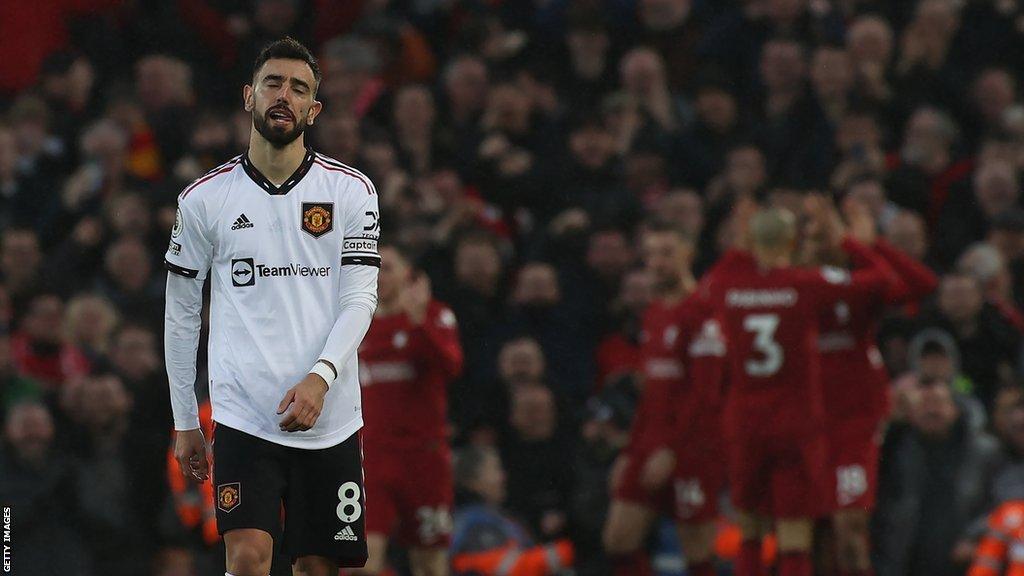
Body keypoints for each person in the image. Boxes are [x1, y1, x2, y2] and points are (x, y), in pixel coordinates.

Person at [164, 37, 380, 576]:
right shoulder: (203, 200)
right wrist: (185, 418)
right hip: (243, 414)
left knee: (318, 566)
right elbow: (181, 313)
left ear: (315, 109)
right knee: (247, 555)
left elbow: (361, 298)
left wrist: (320, 378)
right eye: (273, 83)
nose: (284, 95)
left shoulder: (352, 192)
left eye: (299, 88)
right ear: (248, 96)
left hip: (330, 415)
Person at [700, 199, 904, 576]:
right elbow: (882, 280)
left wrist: (738, 248)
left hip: (746, 423)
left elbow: (705, 288)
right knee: (796, 533)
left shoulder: (727, 286)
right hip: (794, 423)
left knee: (750, 530)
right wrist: (851, 243)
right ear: (793, 244)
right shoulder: (805, 285)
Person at [801, 198, 937, 576]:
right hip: (804, 425)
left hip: (853, 425)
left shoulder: (860, 288)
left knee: (850, 531)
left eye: (825, 235)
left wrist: (866, 243)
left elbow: (922, 283)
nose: (818, 244)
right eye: (811, 236)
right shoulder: (793, 289)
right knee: (814, 537)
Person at [602, 220, 726, 576]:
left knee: (696, 551)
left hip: (692, 448)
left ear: (688, 254)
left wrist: (672, 449)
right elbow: (650, 390)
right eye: (651, 254)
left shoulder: (704, 313)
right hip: (648, 443)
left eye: (667, 253)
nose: (657, 262)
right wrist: (630, 450)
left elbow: (706, 394)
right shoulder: (654, 313)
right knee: (618, 540)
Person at [354, 244, 463, 576]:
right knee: (363, 561)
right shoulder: (353, 323)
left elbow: (452, 366)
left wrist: (418, 321)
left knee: (429, 563)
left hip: (424, 458)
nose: (379, 276)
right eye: (373, 267)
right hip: (372, 457)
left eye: (387, 267)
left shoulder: (435, 315)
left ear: (408, 274)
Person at [450, 446, 573, 576]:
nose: (503, 477)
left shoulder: (497, 517)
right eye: (495, 469)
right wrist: (568, 551)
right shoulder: (473, 525)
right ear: (473, 482)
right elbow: (508, 568)